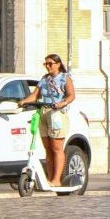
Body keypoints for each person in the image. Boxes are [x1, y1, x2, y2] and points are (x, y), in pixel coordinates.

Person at [19, 53, 76, 186]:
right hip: (43, 112)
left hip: (57, 113)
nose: (48, 66)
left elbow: (71, 95)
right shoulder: (44, 79)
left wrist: (62, 103)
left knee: (56, 148)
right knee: (48, 148)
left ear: (58, 64)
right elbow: (35, 95)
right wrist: (23, 101)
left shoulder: (64, 78)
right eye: (46, 64)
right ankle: (50, 179)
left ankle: (56, 179)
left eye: (50, 64)